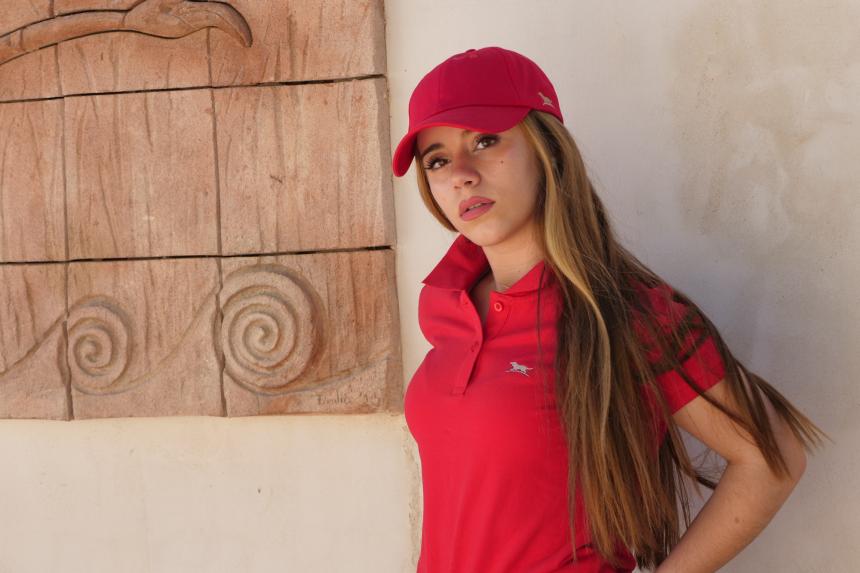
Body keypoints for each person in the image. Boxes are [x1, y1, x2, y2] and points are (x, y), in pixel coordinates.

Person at [391, 46, 827, 573]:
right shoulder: (445, 306)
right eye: (437, 160)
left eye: (485, 140)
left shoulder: (628, 315)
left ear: (548, 151)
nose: (460, 174)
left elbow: (771, 459)